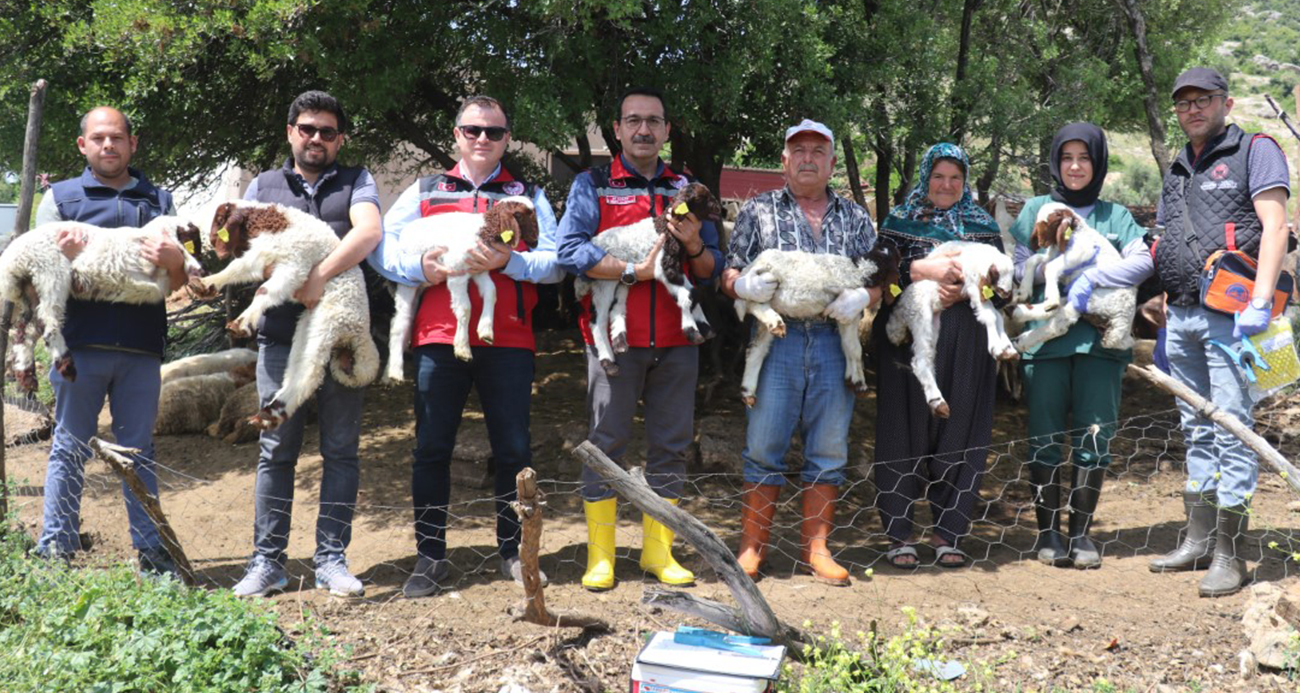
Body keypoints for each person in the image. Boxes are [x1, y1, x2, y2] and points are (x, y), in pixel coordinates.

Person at [369, 95, 563, 597]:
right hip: (437, 338)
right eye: (472, 130)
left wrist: (508, 265)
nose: (482, 139)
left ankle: (515, 554)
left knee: (514, 450)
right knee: (432, 448)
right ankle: (430, 557)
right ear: (456, 134)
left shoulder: (527, 195)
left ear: (506, 139)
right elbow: (383, 248)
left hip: (509, 338)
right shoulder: (425, 190)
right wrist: (420, 271)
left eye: (494, 132)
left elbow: (555, 262)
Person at [556, 86, 723, 591]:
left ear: (667, 130)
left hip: (677, 340)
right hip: (613, 341)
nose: (644, 129)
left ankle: (658, 552)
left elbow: (711, 268)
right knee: (606, 444)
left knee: (670, 446)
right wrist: (631, 272)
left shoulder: (686, 188)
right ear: (619, 128)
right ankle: (601, 557)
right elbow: (569, 250)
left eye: (654, 121)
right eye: (634, 121)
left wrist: (693, 243)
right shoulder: (593, 183)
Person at [1138, 68, 1290, 597]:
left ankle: (1231, 553)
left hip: (1232, 315)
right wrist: (1158, 291)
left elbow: (1276, 227)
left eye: (1203, 100)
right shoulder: (1177, 165)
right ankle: (1199, 540)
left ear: (1226, 102)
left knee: (1231, 427)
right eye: (1184, 104)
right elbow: (1165, 236)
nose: (1193, 110)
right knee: (1196, 427)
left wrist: (1259, 299)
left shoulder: (1256, 149)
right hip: (1180, 316)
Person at [231, 90, 382, 598]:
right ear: (290, 132)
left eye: (327, 131)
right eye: (307, 129)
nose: (316, 138)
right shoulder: (264, 184)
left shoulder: (357, 181)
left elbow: (368, 234)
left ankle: (331, 561)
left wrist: (318, 276)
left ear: (340, 139)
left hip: (340, 338)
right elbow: (251, 246)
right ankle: (267, 562)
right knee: (276, 449)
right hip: (280, 341)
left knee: (341, 452)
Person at [723, 119, 878, 586]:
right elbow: (728, 273)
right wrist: (742, 284)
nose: (808, 158)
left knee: (829, 448)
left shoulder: (853, 216)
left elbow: (876, 279)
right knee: (764, 446)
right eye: (799, 151)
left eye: (818, 151)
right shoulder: (759, 211)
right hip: (778, 340)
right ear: (785, 162)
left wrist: (865, 298)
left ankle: (818, 549)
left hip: (835, 339)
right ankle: (752, 548)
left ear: (831, 163)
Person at [33, 106, 187, 577]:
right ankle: (55, 554)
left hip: (141, 349)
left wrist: (173, 259)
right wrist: (64, 257)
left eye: (117, 138)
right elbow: (39, 275)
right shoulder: (59, 199)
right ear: (83, 145)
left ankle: (153, 557)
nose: (108, 146)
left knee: (138, 452)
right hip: (79, 350)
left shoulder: (159, 201)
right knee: (69, 447)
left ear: (132, 143)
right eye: (98, 138)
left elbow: (180, 282)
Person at [1007, 123, 1148, 570]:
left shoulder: (1115, 216)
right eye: (1067, 157)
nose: (1074, 166)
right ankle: (1048, 532)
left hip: (1100, 345)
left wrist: (1087, 282)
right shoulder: (1036, 209)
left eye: (1084, 158)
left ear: (1098, 162)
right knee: (1044, 435)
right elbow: (1017, 264)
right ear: (1055, 161)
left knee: (1094, 435)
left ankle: (1082, 534)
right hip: (1045, 345)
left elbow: (1142, 263)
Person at [872, 143, 1003, 569]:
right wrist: (920, 273)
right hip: (908, 344)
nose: (946, 186)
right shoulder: (898, 223)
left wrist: (968, 289)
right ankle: (899, 533)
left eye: (955, 178)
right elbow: (881, 280)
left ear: (965, 182)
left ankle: (949, 532)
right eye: (938, 177)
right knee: (901, 431)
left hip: (967, 345)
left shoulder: (982, 225)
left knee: (961, 431)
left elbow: (999, 287)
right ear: (925, 178)